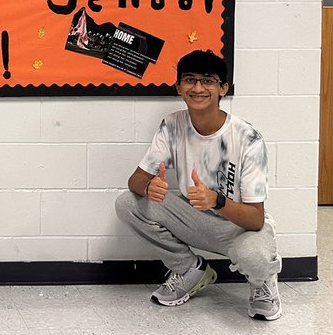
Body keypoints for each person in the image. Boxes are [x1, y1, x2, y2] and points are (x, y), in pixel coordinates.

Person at [115, 50, 282, 320]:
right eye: (190, 80)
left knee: (255, 258)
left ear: (222, 89)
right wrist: (147, 188)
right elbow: (135, 180)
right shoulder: (172, 124)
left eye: (208, 81)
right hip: (193, 218)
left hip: (239, 226)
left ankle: (263, 282)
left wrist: (216, 200)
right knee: (127, 203)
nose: (198, 88)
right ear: (179, 87)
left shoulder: (248, 138)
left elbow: (255, 219)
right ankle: (191, 270)